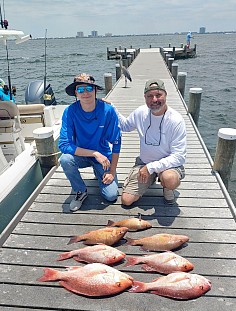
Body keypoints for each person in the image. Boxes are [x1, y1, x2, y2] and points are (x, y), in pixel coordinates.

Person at [115, 79, 186, 207]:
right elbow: (125, 126)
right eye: (150, 96)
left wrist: (151, 168)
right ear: (145, 97)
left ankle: (167, 187)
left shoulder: (176, 120)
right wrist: (112, 109)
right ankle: (149, 178)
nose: (154, 100)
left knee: (169, 179)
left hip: (168, 167)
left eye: (158, 95)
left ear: (165, 95)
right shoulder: (140, 112)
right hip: (144, 163)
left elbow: (179, 157)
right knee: (126, 200)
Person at [59, 73, 121, 212]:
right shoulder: (69, 112)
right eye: (80, 89)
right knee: (65, 159)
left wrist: (112, 171)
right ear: (76, 93)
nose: (85, 93)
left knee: (111, 196)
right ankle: (80, 190)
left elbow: (117, 141)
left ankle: (99, 172)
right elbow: (64, 145)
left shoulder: (108, 110)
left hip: (103, 157)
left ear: (95, 90)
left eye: (89, 88)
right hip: (82, 154)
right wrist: (94, 153)